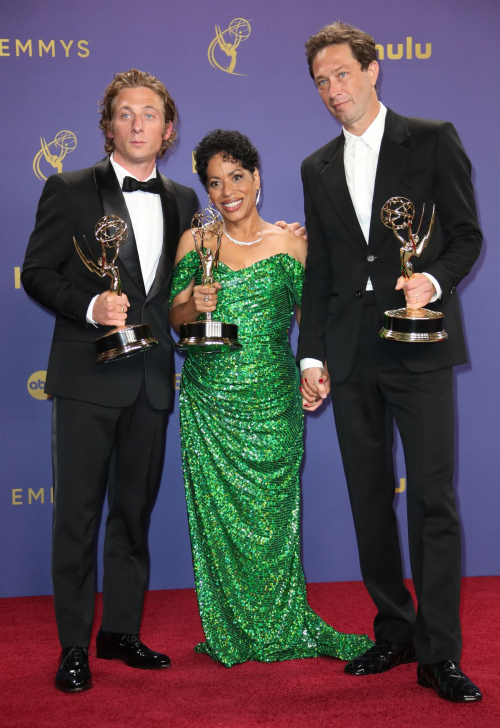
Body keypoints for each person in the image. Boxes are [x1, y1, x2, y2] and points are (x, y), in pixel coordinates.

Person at [298, 22, 483, 702]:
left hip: (419, 340)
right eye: (321, 80)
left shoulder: (432, 139)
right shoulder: (315, 166)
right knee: (370, 500)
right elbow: (320, 272)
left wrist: (430, 282)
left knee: (434, 500)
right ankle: (394, 630)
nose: (332, 89)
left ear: (374, 71)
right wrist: (309, 353)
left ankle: (439, 653)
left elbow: (465, 236)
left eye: (342, 73)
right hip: (348, 353)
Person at [22, 69, 200, 692]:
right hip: (84, 380)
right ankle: (74, 645)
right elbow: (39, 271)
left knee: (132, 514)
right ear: (108, 127)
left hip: (151, 383)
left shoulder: (183, 201)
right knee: (75, 517)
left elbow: (181, 290)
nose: (137, 124)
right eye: (125, 113)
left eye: (149, 113)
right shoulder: (68, 188)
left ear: (168, 128)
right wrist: (91, 306)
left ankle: (120, 631)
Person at [169, 129, 373, 667]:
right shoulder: (196, 243)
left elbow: (315, 326)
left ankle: (282, 622)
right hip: (209, 403)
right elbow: (175, 320)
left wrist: (317, 370)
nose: (227, 190)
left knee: (272, 519)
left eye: (237, 176)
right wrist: (194, 299)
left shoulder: (292, 244)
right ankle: (233, 629)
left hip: (274, 402)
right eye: (214, 182)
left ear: (257, 178)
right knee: (218, 524)